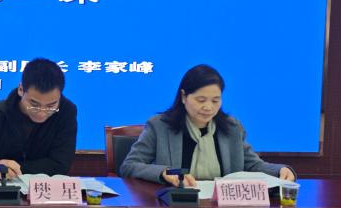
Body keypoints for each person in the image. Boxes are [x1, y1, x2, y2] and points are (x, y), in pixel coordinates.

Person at [120, 63, 295, 187]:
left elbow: (253, 165)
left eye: (215, 100)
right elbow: (129, 166)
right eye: (201, 100)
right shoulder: (159, 126)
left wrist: (280, 170)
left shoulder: (232, 128)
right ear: (183, 96)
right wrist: (165, 173)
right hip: (176, 207)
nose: (209, 107)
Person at [0, 58, 77, 178]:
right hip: (0, 186)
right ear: (21, 89)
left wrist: (15, 168)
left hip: (44, 188)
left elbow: (61, 165)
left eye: (51, 106)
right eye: (34, 104)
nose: (41, 113)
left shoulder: (66, 111)